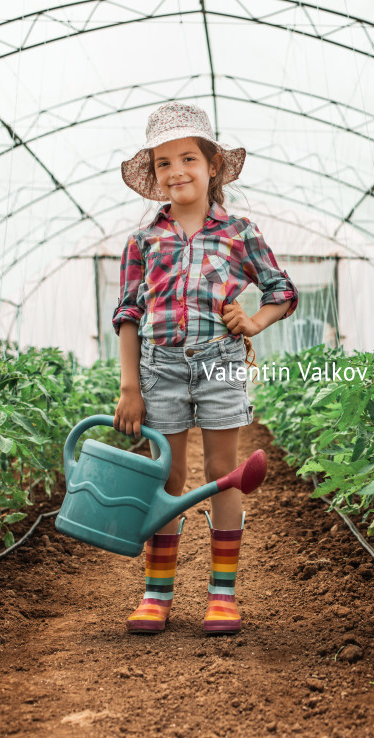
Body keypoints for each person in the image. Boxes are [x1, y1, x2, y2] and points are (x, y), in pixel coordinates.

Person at [110, 102, 298, 635]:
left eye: (188, 158)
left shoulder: (239, 231)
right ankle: (157, 594)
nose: (177, 172)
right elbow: (128, 313)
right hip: (159, 367)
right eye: (164, 163)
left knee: (223, 473)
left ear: (212, 165)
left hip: (220, 363)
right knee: (165, 476)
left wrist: (255, 321)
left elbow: (281, 291)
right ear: (155, 175)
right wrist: (130, 384)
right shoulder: (142, 242)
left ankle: (222, 594)